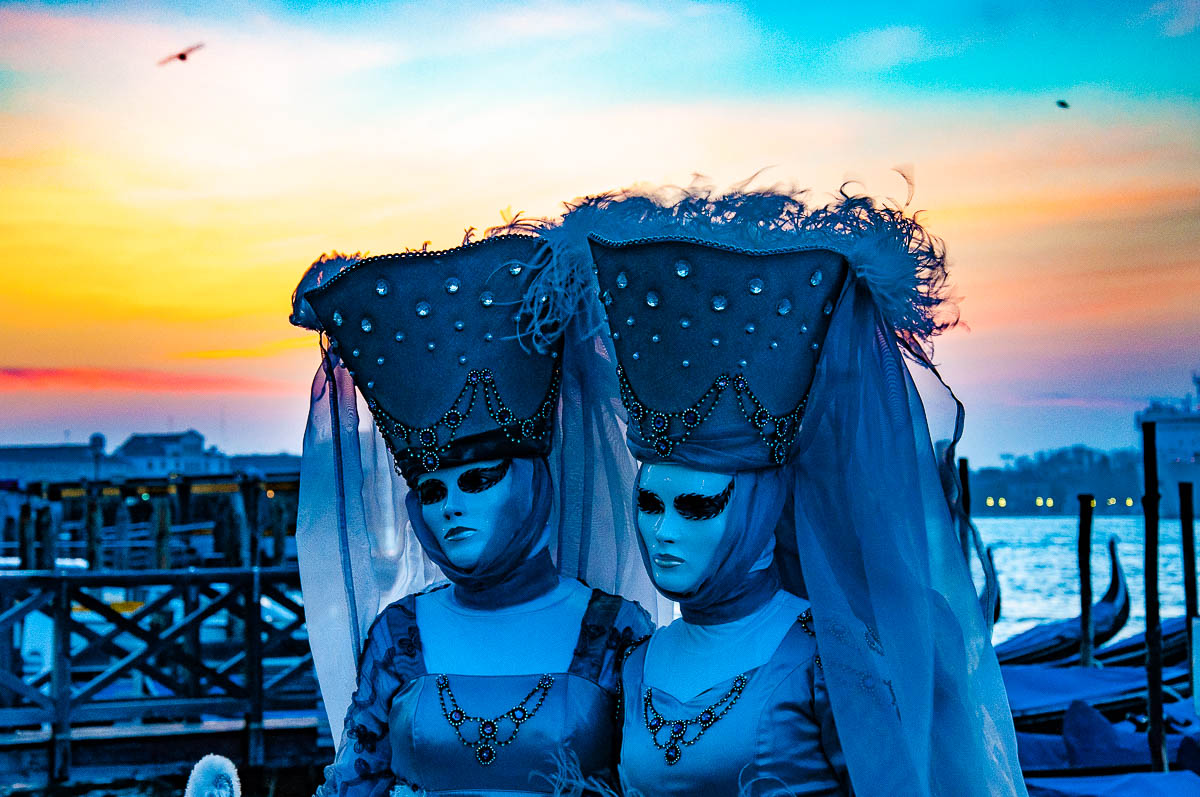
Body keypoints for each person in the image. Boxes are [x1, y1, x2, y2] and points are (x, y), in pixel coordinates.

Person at [537, 185, 1026, 796]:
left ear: (758, 510)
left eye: (696, 506)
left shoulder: (837, 657)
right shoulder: (637, 665)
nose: (663, 531)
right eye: (650, 502)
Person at [290, 231, 656, 796]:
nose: (452, 507)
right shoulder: (398, 637)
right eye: (431, 494)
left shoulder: (616, 633)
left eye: (479, 480)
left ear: (533, 482)